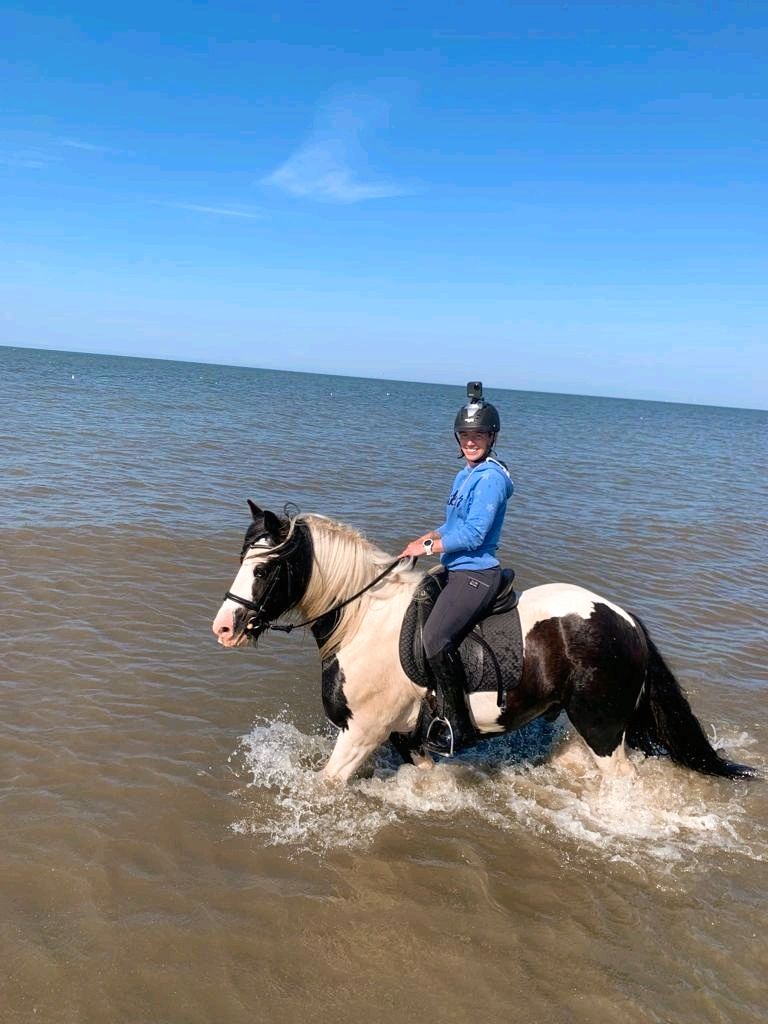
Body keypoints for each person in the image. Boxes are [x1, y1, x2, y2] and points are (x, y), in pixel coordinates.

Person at [400, 382, 514, 756]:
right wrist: (425, 538)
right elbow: (453, 525)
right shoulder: (464, 475)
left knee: (434, 638)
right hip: (454, 567)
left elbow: (475, 533)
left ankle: (457, 725)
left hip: (477, 573)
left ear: (491, 437)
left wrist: (430, 546)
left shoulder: (491, 478)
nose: (471, 441)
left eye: (478, 435)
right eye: (465, 435)